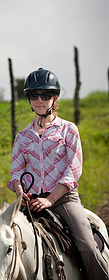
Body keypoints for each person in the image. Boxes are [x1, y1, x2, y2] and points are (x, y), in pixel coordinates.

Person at [6, 68, 109, 280]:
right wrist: (20, 194)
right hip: (30, 201)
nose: (39, 100)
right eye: (33, 95)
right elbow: (16, 172)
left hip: (63, 199)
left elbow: (73, 170)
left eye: (45, 95)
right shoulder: (22, 137)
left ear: (55, 97)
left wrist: (49, 200)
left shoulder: (69, 130)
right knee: (1, 242)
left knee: (88, 247)